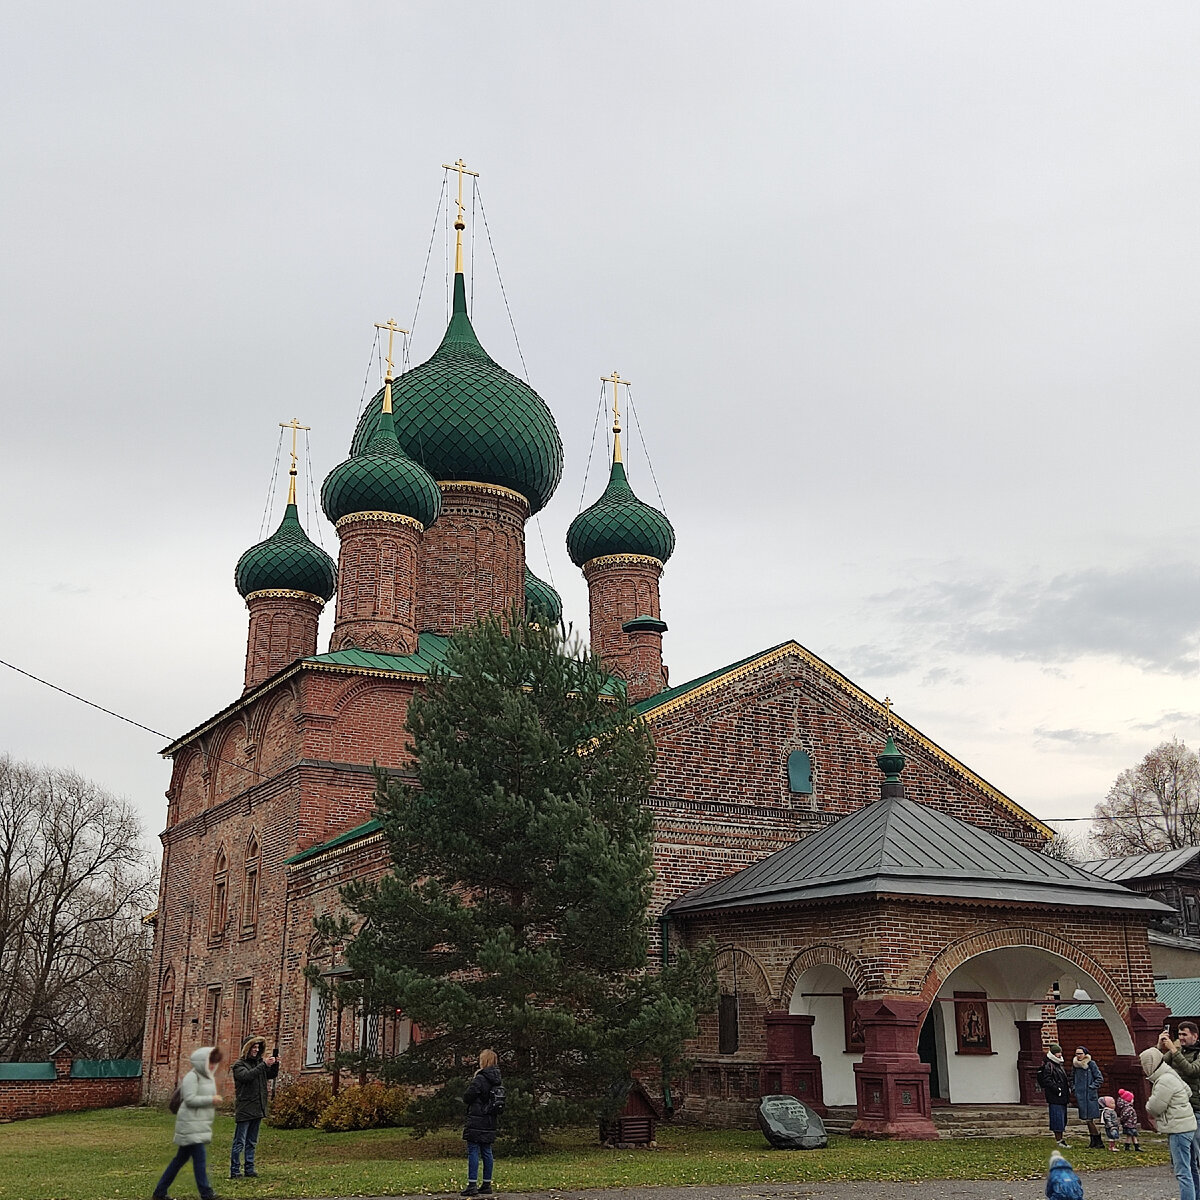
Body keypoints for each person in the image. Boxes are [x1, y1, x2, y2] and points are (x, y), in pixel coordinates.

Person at [153, 1046, 223, 1200]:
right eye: (210, 1062)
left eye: (214, 1063)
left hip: (197, 1124)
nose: (212, 1066)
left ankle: (159, 1192)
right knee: (200, 1159)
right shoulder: (192, 1077)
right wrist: (211, 1100)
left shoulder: (206, 1077)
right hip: (190, 1124)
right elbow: (190, 1099)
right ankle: (206, 1193)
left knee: (179, 1160)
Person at [1142, 1045, 1198, 1200]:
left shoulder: (1164, 1081)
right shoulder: (1170, 1074)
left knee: (1182, 1171)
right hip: (1187, 1126)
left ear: (1149, 1064)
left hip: (1178, 1129)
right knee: (1192, 1168)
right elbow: (1188, 1090)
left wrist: (1149, 1104)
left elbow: (1154, 1107)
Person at [230, 1036, 280, 1179]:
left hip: (258, 1107)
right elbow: (247, 1076)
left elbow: (270, 1074)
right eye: (254, 1047)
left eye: (258, 1048)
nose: (256, 1050)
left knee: (251, 1142)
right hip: (245, 1107)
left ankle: (249, 1169)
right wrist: (264, 1065)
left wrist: (275, 1063)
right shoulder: (239, 1065)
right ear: (247, 1048)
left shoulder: (259, 1064)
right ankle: (235, 1170)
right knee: (239, 1141)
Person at [1162, 1021, 1200, 1196]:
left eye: (1185, 1034)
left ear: (1195, 1035)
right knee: (1188, 1161)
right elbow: (1160, 1066)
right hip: (1179, 1110)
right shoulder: (1179, 1052)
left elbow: (1192, 1070)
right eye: (1179, 1035)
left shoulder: (1198, 1054)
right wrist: (1161, 1045)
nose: (1181, 1038)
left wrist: (1175, 1050)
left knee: (1196, 1157)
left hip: (1196, 1110)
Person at [461, 1049, 502, 1197]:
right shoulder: (497, 1079)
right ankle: (486, 1184)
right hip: (490, 1119)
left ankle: (472, 1184)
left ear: (483, 1061)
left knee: (473, 1150)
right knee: (487, 1151)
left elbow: (468, 1096)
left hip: (477, 1119)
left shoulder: (480, 1078)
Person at [1036, 1042, 1071, 1147]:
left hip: (1062, 1096)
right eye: (1057, 1053)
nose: (1060, 1055)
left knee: (1062, 1118)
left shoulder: (1058, 1065)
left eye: (1060, 1052)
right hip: (1055, 1096)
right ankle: (1059, 1140)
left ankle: (1061, 1139)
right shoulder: (1049, 1065)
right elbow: (1047, 1080)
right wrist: (1057, 1089)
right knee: (1057, 1118)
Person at [1071, 1046, 1104, 1148]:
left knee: (1090, 1119)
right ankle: (1093, 1140)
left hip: (1090, 1095)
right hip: (1081, 1095)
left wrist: (1091, 1087)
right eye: (1077, 1054)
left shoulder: (1091, 1064)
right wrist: (1074, 1088)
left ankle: (1097, 1140)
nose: (1078, 1056)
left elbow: (1099, 1078)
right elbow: (1072, 1078)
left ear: (1085, 1054)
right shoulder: (1075, 1065)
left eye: (1080, 1053)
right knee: (1086, 1119)